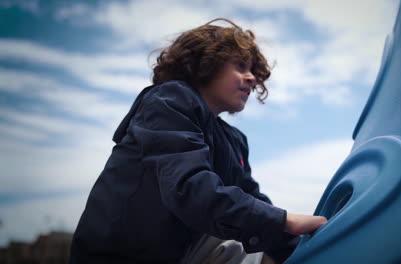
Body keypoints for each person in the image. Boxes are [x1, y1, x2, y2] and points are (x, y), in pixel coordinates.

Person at [69, 18, 327, 264]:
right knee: (237, 236)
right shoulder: (169, 101)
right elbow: (190, 188)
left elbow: (254, 203)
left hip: (175, 255)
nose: (251, 77)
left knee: (252, 221)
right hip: (118, 258)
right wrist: (283, 221)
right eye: (240, 66)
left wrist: (313, 252)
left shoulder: (234, 140)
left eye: (253, 70)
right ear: (207, 63)